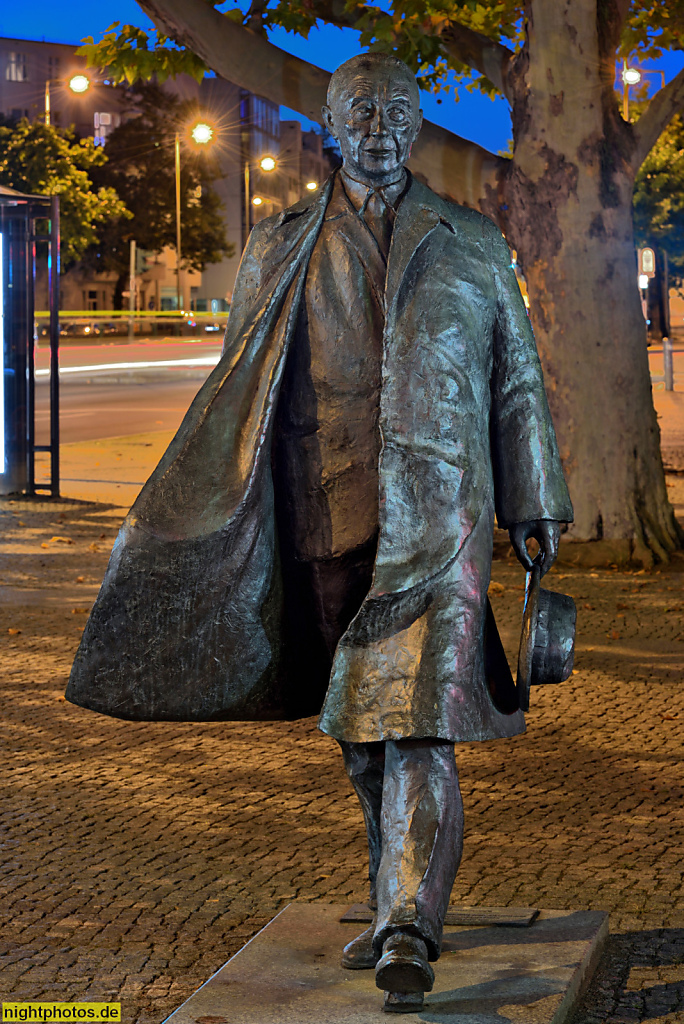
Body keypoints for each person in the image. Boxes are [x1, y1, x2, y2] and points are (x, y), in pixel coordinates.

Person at [67, 52, 572, 1015]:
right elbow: (244, 388)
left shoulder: (470, 240)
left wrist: (535, 508)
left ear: (416, 124)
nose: (379, 127)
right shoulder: (279, 243)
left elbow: (517, 383)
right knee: (359, 734)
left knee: (418, 723)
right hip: (323, 512)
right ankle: (395, 895)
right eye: (360, 112)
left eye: (396, 111)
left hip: (440, 519)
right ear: (333, 127)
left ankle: (409, 926)